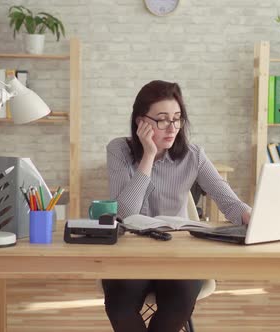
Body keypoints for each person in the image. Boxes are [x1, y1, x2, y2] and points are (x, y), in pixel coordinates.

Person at [103, 80, 252, 332]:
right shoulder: (119, 150)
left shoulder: (194, 155)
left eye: (177, 118)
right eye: (162, 119)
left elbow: (228, 201)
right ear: (141, 122)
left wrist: (251, 216)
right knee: (119, 305)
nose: (172, 128)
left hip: (179, 255)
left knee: (178, 304)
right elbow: (125, 214)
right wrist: (149, 156)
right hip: (131, 255)